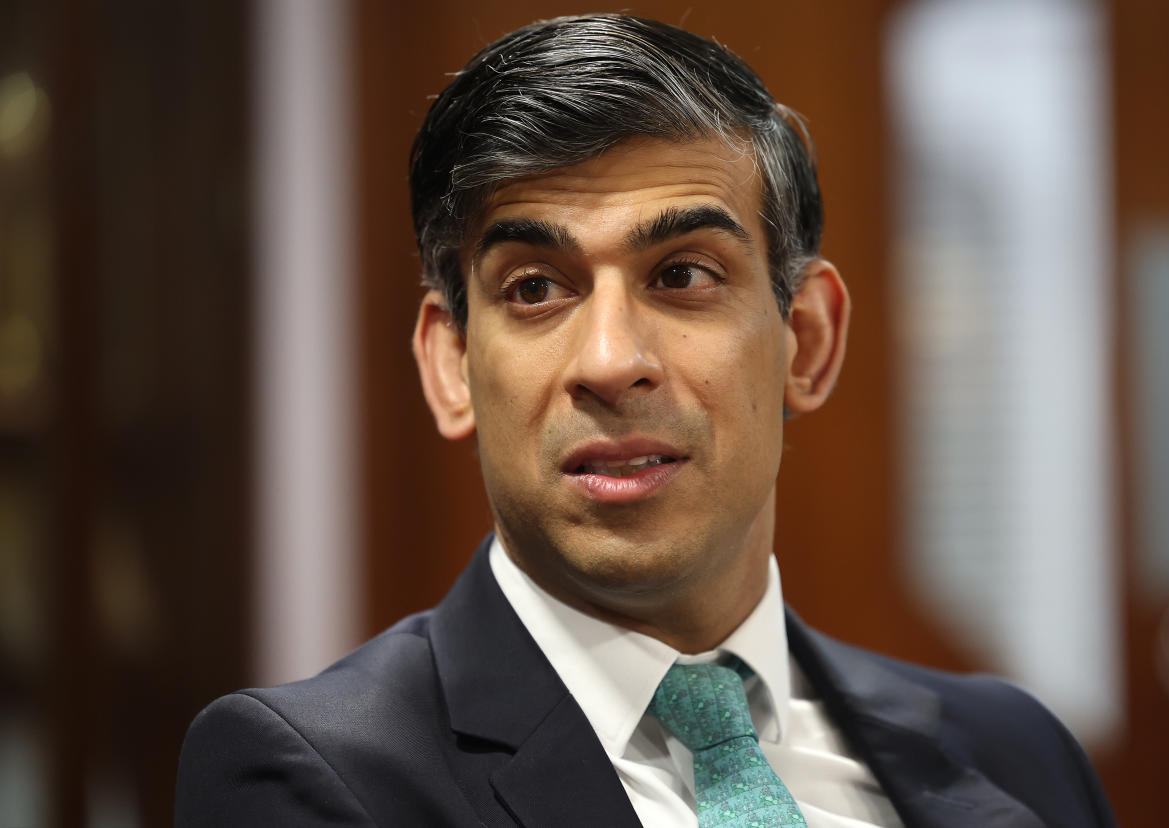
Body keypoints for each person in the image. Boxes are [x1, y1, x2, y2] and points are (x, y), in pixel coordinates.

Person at [175, 14, 1116, 828]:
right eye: (535, 289)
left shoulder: (1018, 751)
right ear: (450, 364)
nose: (611, 361)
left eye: (682, 275)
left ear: (809, 340)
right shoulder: (316, 776)